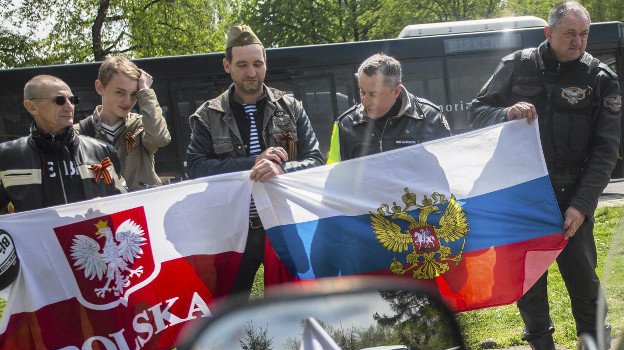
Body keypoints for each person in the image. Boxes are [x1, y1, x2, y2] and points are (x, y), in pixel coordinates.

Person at [0, 75, 180, 350]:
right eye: (58, 100)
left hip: (100, 273)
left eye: (72, 99)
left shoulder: (98, 150)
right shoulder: (7, 158)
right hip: (47, 278)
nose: (69, 105)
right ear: (31, 106)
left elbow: (118, 203)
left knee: (119, 343)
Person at [468, 1, 621, 350]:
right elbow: (476, 112)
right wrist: (505, 113)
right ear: (548, 33)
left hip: (571, 201)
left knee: (585, 286)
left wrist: (581, 205)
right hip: (522, 202)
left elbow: (605, 152)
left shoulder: (599, 78)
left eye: (584, 34)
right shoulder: (516, 66)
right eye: (570, 33)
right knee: (530, 288)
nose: (578, 41)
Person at [185, 25, 324, 296]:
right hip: (233, 231)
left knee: (290, 307)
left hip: (284, 224)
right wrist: (253, 162)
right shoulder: (208, 115)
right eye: (242, 65)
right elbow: (196, 167)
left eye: (257, 64)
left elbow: (316, 160)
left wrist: (282, 168)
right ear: (227, 65)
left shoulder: (292, 107)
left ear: (266, 63)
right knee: (228, 307)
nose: (251, 73)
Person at [326, 53, 451, 163]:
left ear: (396, 91)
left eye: (374, 94)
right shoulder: (345, 124)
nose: (365, 101)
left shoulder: (432, 118)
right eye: (362, 92)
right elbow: (332, 175)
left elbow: (451, 169)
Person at [76, 56, 171, 191]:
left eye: (134, 94)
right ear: (99, 87)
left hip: (141, 202)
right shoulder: (78, 133)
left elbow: (159, 139)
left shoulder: (140, 125)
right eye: (120, 92)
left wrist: (145, 90)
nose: (127, 101)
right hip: (102, 204)